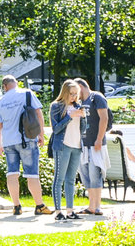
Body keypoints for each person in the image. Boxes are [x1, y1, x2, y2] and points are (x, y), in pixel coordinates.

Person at [0, 75, 53, 216]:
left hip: (9, 142)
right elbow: (38, 113)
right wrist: (41, 134)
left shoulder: (0, 102)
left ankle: (17, 206)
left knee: (12, 173)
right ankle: (39, 205)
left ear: (4, 86)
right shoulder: (27, 93)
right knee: (32, 174)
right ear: (16, 83)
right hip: (27, 139)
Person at [48, 79, 85, 221]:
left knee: (71, 180)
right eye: (71, 94)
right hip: (63, 145)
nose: (74, 97)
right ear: (65, 93)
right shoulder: (56, 106)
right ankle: (58, 212)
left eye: (76, 94)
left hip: (77, 146)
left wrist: (83, 117)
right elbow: (56, 129)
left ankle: (70, 211)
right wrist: (70, 116)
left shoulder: (78, 106)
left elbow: (83, 128)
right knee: (59, 179)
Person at [74, 77, 110, 216]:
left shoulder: (97, 97)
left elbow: (104, 118)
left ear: (81, 87)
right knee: (85, 175)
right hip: (82, 143)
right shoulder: (79, 102)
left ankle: (97, 206)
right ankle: (91, 206)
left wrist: (99, 139)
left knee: (95, 174)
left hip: (95, 143)